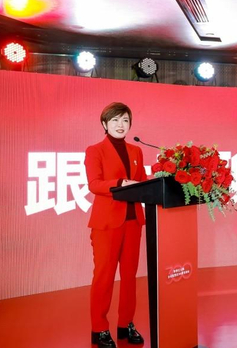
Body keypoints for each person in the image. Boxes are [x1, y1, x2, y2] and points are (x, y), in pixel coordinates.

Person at [85, 102, 147, 348]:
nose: (121, 125)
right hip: (107, 224)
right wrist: (120, 183)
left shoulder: (136, 151)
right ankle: (99, 329)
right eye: (115, 120)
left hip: (133, 222)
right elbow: (94, 184)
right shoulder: (95, 150)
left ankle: (126, 323)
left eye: (125, 120)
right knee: (104, 276)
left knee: (130, 276)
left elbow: (143, 182)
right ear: (104, 124)